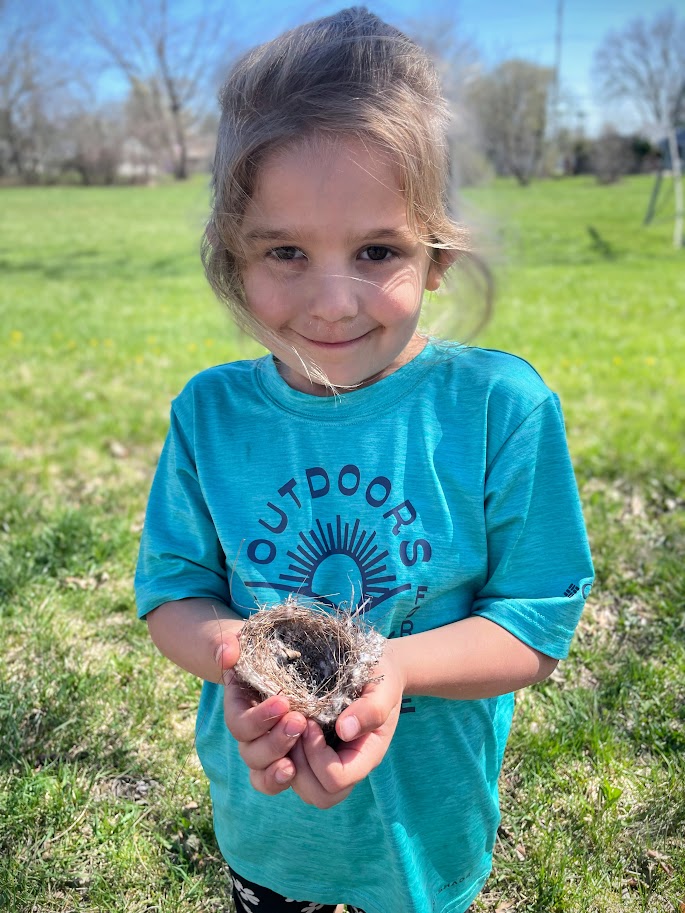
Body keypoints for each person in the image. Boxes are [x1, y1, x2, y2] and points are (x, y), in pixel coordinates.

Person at [134, 8, 594, 913]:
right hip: (267, 820)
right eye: (286, 252)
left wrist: (395, 669)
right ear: (234, 256)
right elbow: (172, 596)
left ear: (435, 253)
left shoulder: (499, 409)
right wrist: (246, 664)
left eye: (376, 250)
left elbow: (535, 626)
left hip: (423, 828)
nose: (333, 299)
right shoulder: (209, 414)